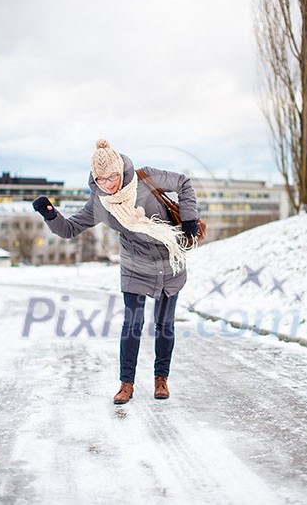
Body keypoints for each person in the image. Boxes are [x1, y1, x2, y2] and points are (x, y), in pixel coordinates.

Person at [33, 139, 200, 404]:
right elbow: (70, 228)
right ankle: (126, 384)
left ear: (121, 170)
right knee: (132, 325)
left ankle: (161, 379)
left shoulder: (147, 178)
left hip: (169, 262)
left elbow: (184, 183)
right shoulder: (100, 202)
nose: (109, 184)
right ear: (95, 179)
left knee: (164, 324)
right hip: (135, 266)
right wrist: (51, 214)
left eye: (112, 176)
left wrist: (189, 219)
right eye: (101, 179)